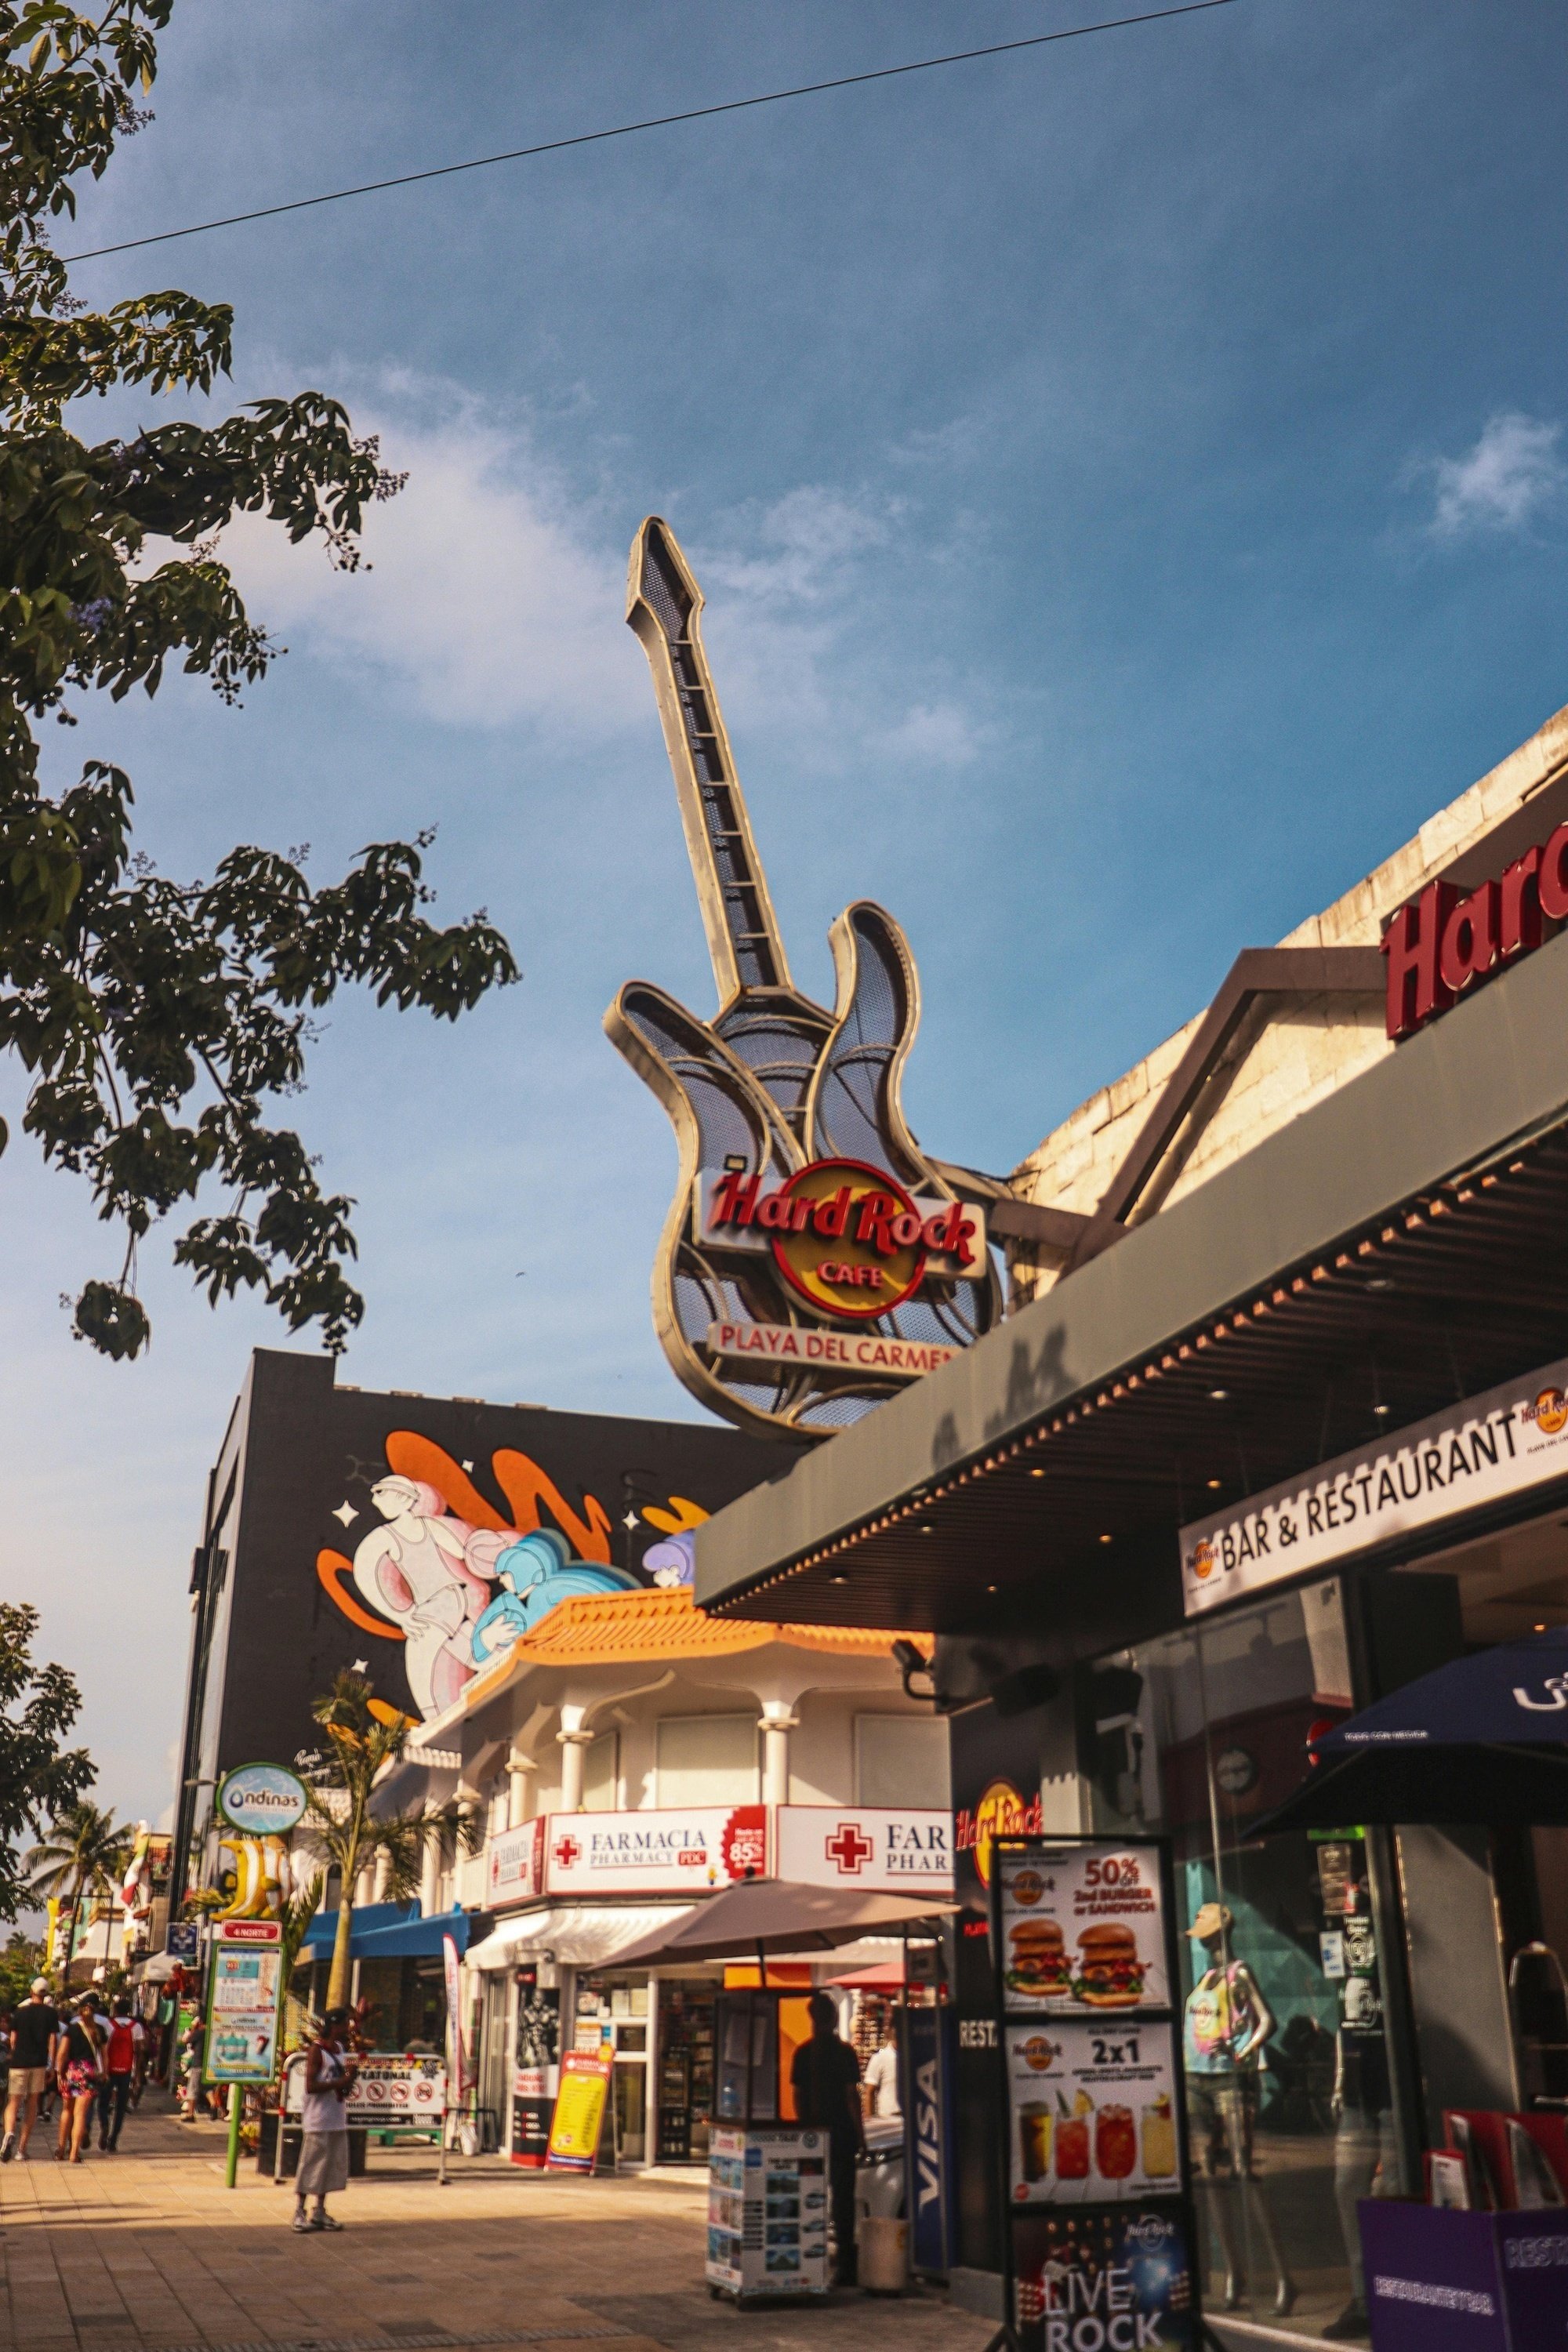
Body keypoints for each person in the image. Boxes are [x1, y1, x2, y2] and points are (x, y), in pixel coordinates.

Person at [1183, 1902, 1295, 2319]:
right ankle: (1234, 2272)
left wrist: (1242, 2051)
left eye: (1209, 1934)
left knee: (1244, 2172)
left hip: (1230, 2079)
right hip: (1197, 2079)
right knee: (1210, 2177)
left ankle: (1284, 2276)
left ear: (1222, 1934)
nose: (1206, 1941)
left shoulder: (1240, 1972)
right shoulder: (1206, 1977)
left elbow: (1268, 2021)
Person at [790, 1992, 865, 2288]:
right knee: (843, 2201)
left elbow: (797, 2097)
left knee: (812, 2197)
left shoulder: (803, 2053)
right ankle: (845, 2265)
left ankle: (810, 2260)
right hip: (842, 2135)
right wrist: (861, 2135)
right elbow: (851, 2096)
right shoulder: (845, 2053)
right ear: (834, 2019)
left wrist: (806, 2125)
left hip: (813, 2135)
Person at [294, 2009, 358, 2233]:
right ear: (335, 2025)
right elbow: (311, 2086)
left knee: (330, 2166)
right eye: (345, 2024)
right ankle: (299, 2211)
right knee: (311, 2165)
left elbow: (344, 2085)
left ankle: (319, 2210)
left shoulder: (340, 2050)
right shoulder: (316, 2050)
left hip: (336, 2116)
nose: (348, 2028)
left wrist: (350, 2078)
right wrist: (341, 2081)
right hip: (318, 2118)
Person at [1, 1977, 60, 2162]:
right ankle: (21, 2149)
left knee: (13, 2102)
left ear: (31, 1991)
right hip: (39, 2063)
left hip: (19, 2062)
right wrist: (52, 2065)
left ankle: (9, 2132)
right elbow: (52, 2040)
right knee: (32, 2104)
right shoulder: (51, 2014)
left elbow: (13, 2039)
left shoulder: (20, 2013)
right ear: (46, 1994)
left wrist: (14, 2052)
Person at [55, 1994, 103, 2164]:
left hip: (71, 2070)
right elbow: (104, 2055)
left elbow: (62, 2053)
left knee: (67, 2110)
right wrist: (105, 2074)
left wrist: (59, 2073)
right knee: (80, 2114)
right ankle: (74, 2152)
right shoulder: (98, 2030)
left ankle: (61, 2148)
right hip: (88, 2071)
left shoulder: (72, 2029)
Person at [96, 2000, 138, 2151]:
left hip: (109, 2071)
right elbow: (140, 2051)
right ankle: (113, 2140)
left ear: (115, 2009)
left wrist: (102, 2070)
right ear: (129, 2010)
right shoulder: (136, 2026)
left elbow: (102, 2048)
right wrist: (138, 2075)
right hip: (126, 2071)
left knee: (103, 2103)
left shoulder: (108, 2025)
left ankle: (104, 2125)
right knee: (121, 2108)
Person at [863, 2019, 901, 2119]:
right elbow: (869, 2091)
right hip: (888, 2117)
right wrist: (870, 2120)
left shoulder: (913, 2057)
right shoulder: (880, 2058)